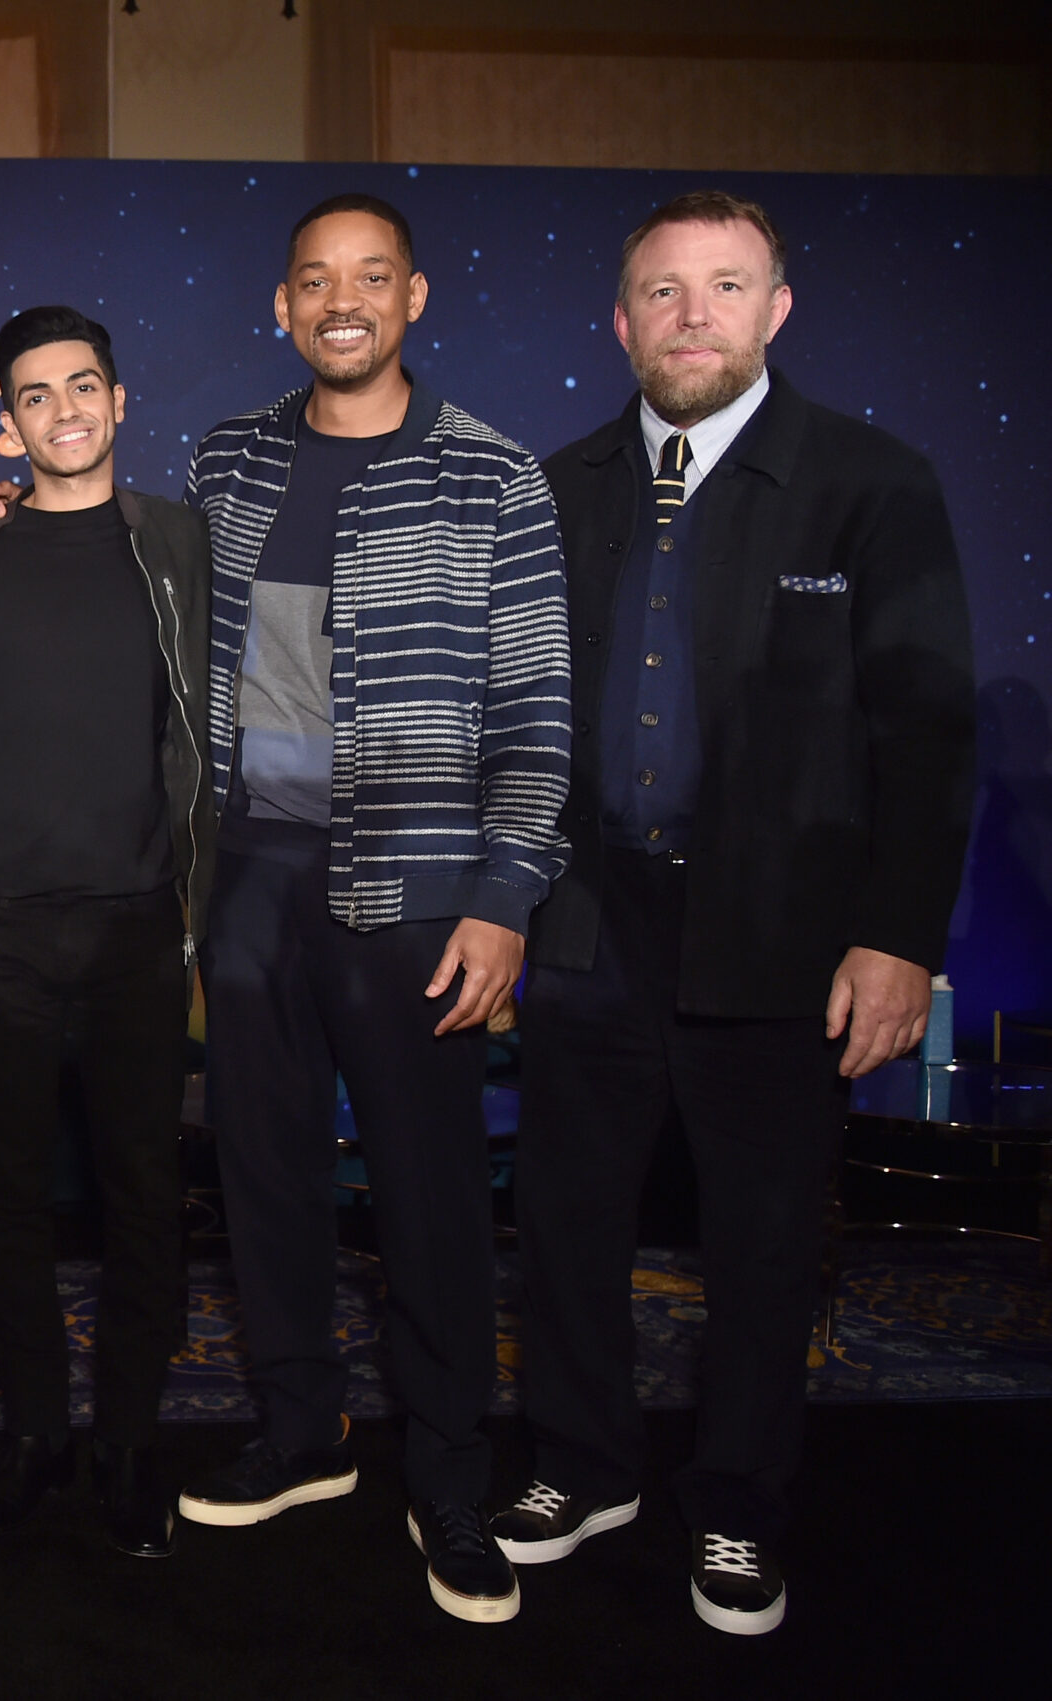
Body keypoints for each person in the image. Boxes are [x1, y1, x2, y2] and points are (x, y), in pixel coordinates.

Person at [491, 191, 974, 1636]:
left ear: (776, 309)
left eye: (723, 286)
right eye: (662, 291)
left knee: (763, 1241)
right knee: (568, 1220)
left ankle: (742, 1504)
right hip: (591, 920)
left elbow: (931, 730)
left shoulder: (872, 483)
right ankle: (584, 1465)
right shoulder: (558, 484)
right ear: (620, 321)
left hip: (784, 932)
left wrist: (899, 936)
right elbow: (512, 718)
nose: (690, 313)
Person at [174, 196, 570, 1626]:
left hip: (419, 893)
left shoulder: (493, 480)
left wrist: (506, 892)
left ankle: (450, 1470)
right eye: (315, 281)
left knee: (431, 1199)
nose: (343, 302)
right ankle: (301, 1431)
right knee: (266, 1181)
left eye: (371, 279)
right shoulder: (227, 460)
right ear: (284, 305)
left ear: (414, 299)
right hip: (253, 884)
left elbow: (534, 706)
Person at [0, 307, 213, 1561]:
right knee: (9, 1205)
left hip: (137, 927)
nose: (63, 411)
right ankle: (37, 1437)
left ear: (117, 396)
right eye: (35, 396)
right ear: (11, 420)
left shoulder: (180, 542)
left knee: (145, 1197)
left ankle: (130, 1447)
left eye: (81, 386)